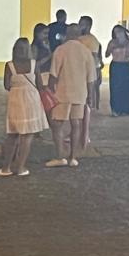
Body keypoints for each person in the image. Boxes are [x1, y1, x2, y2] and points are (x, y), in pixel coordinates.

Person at [0, 38, 49, 177]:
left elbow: (6, 85)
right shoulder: (34, 64)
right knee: (27, 136)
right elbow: (39, 84)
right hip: (31, 100)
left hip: (15, 100)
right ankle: (20, 167)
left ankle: (6, 168)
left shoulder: (9, 65)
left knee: (12, 135)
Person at [46, 23, 96, 166]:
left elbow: (53, 75)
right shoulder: (86, 52)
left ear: (67, 34)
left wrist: (50, 91)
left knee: (57, 125)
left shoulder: (60, 50)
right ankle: (73, 157)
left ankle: (60, 155)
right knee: (76, 125)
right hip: (80, 94)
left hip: (62, 93)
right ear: (79, 35)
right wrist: (91, 96)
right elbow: (91, 79)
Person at [106, 23, 129, 115]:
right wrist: (112, 48)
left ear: (124, 32)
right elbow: (106, 55)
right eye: (116, 32)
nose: (118, 34)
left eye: (120, 31)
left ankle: (126, 109)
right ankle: (115, 109)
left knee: (126, 88)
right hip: (115, 66)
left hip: (126, 66)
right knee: (115, 88)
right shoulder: (112, 42)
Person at [78, 15, 103, 111]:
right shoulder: (80, 38)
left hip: (90, 69)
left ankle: (92, 107)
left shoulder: (91, 40)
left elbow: (92, 56)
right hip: (83, 69)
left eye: (82, 24)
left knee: (91, 89)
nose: (79, 26)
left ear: (88, 26)